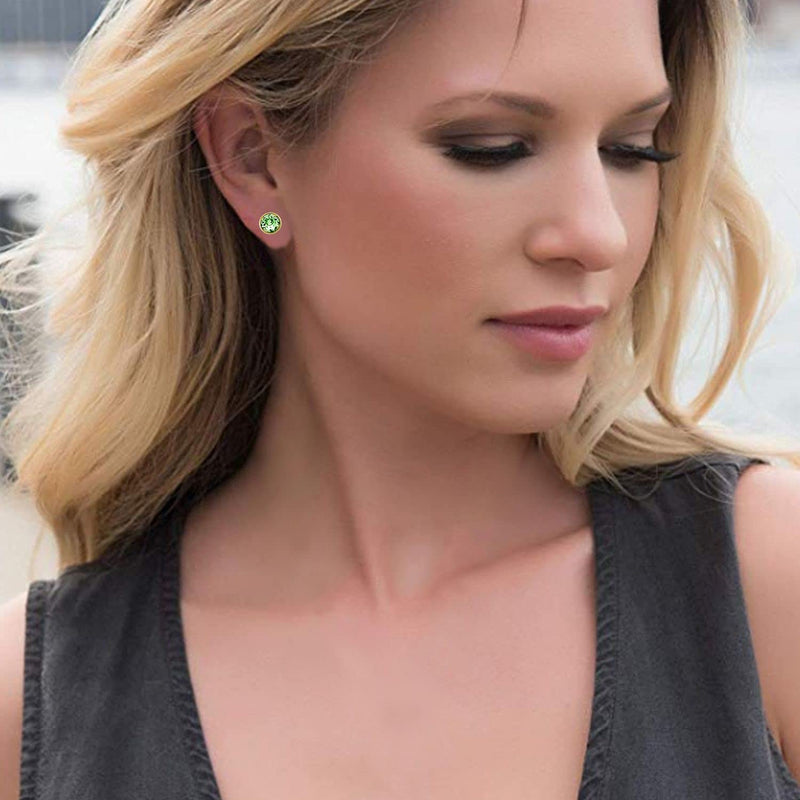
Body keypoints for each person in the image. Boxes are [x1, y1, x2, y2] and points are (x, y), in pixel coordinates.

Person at [1, 0, 800, 797]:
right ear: (254, 160)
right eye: (492, 148)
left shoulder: (763, 584)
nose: (600, 234)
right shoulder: (32, 707)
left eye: (631, 149)